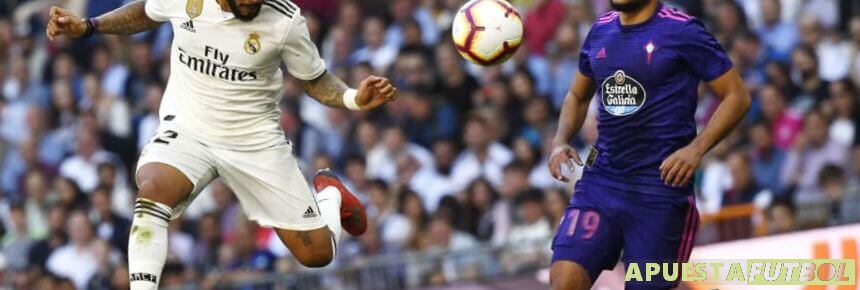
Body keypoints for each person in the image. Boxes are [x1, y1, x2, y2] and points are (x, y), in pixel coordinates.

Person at [45, 1, 398, 289]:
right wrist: (89, 26)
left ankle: (330, 193)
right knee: (153, 189)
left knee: (317, 255)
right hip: (189, 129)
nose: (250, 1)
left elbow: (315, 78)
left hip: (254, 142)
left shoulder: (285, 20)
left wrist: (353, 98)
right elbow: (147, 12)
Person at [546, 0, 751, 289]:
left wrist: (695, 149)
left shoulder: (682, 30)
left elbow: (737, 96)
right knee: (564, 280)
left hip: (659, 193)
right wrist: (560, 141)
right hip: (601, 182)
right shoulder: (600, 30)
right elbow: (577, 96)